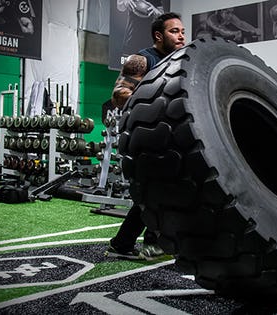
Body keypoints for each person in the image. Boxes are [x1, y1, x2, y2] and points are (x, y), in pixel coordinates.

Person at [106, 12, 185, 260]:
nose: (181, 35)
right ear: (159, 36)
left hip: (171, 136)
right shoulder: (142, 60)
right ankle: (150, 242)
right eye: (174, 31)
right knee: (155, 188)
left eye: (182, 31)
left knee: (155, 190)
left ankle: (124, 243)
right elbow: (119, 95)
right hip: (144, 135)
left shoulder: (183, 61)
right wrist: (157, 102)